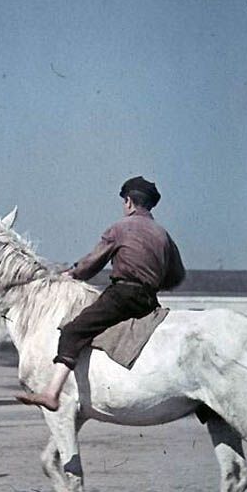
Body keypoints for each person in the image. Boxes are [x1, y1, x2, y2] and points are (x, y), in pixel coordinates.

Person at [16, 176, 185, 412]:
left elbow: (92, 262)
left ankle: (52, 393)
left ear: (128, 202)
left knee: (73, 330)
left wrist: (72, 274)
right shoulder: (163, 235)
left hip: (122, 295)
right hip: (148, 300)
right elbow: (177, 276)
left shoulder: (120, 228)